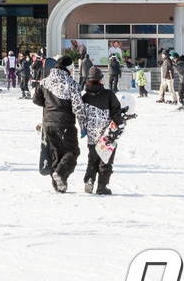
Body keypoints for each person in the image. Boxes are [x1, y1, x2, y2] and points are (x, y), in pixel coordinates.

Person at [33, 53, 87, 192]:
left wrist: (49, 105)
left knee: (56, 155)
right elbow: (78, 106)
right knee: (72, 151)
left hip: (48, 124)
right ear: (68, 69)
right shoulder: (70, 83)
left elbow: (36, 100)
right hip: (65, 124)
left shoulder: (45, 82)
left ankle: (59, 186)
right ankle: (60, 174)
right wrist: (83, 125)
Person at [80, 65, 126, 195]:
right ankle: (102, 186)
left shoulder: (85, 97)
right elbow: (116, 112)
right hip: (107, 134)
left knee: (92, 159)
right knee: (105, 160)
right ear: (101, 79)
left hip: (92, 135)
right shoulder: (109, 94)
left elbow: (81, 114)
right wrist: (120, 124)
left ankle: (89, 179)